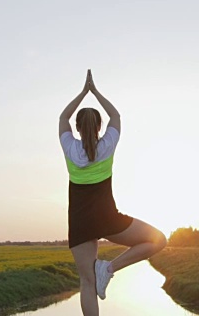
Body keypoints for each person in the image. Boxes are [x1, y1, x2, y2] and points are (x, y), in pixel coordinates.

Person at [58, 69, 167, 315]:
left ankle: (102, 272)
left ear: (76, 127)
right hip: (107, 218)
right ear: (99, 126)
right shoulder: (108, 144)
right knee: (159, 239)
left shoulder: (69, 147)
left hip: (79, 222)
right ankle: (108, 269)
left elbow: (63, 116)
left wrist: (82, 92)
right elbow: (115, 115)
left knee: (86, 283)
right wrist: (94, 92)